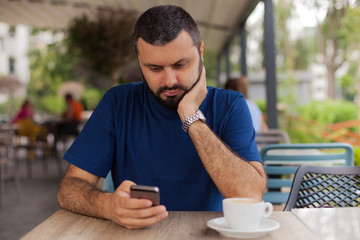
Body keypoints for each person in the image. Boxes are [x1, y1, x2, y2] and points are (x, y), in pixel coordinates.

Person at [57, 5, 267, 229]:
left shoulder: (229, 105)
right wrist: (107, 205)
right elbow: (68, 189)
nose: (169, 81)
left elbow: (250, 194)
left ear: (201, 52)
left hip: (208, 234)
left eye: (180, 64)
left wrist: (192, 117)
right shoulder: (117, 103)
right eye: (155, 68)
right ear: (139, 60)